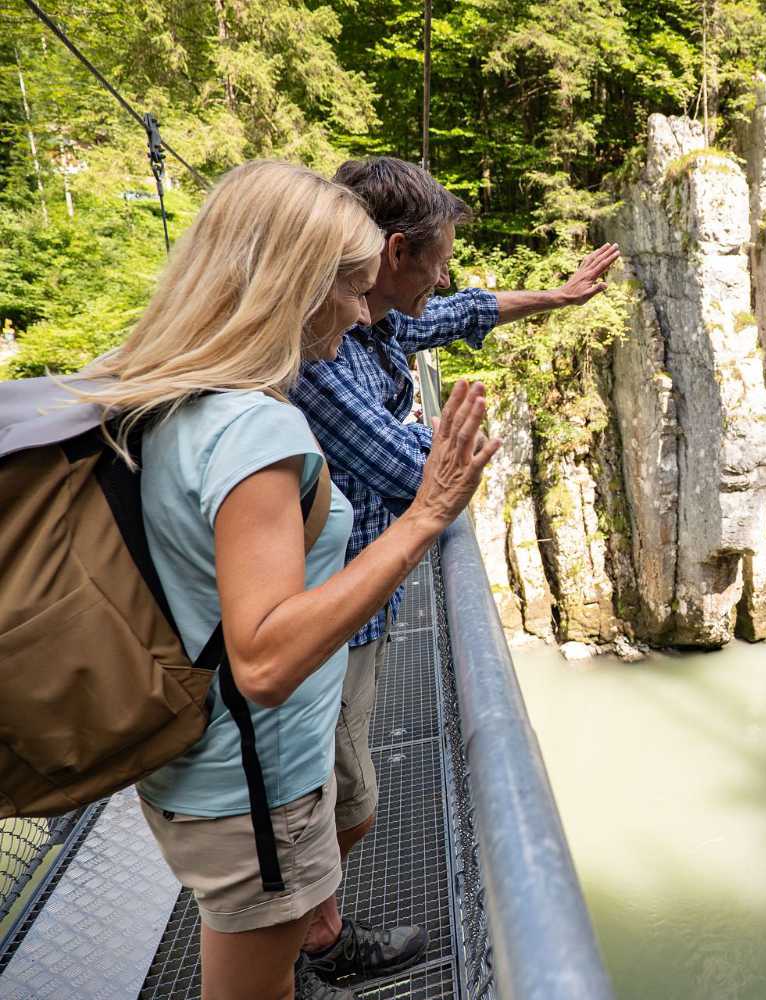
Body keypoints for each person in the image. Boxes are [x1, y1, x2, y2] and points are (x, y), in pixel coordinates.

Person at [72, 161, 499, 1000]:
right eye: (347, 286)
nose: (359, 307)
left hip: (205, 759)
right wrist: (424, 515)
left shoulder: (161, 389)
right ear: (295, 286)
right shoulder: (255, 429)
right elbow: (265, 661)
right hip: (256, 785)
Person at [289, 157, 620, 976]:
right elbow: (419, 477)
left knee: (338, 791)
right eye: (434, 262)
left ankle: (308, 925)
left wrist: (558, 296)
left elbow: (461, 312)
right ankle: (313, 940)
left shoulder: (367, 320)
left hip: (355, 602)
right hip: (326, 620)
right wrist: (453, 459)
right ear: (392, 255)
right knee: (337, 798)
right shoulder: (325, 353)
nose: (443, 280)